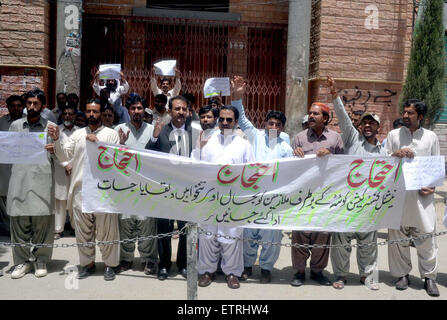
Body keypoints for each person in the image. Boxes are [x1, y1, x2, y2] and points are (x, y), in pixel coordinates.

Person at [230, 75, 293, 284]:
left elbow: (292, 170)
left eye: (277, 124)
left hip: (273, 198)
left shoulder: (286, 147)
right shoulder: (256, 136)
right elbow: (241, 118)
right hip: (252, 195)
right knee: (249, 232)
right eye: (270, 123)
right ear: (265, 124)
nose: (273, 126)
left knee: (271, 236)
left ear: (282, 127)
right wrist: (237, 96)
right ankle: (247, 266)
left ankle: (266, 268)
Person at [50, 98, 121, 281]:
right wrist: (57, 139)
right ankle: (87, 264)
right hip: (80, 189)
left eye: (95, 111)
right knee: (83, 231)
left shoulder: (111, 134)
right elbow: (64, 154)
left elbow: (116, 159)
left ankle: (109, 265)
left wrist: (97, 143)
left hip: (103, 191)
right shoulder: (77, 134)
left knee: (107, 231)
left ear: (101, 113)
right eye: (89, 111)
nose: (91, 115)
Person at [327, 76, 384, 290]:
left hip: (370, 204)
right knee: (341, 241)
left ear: (378, 127)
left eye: (372, 123)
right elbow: (342, 116)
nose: (367, 125)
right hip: (347, 201)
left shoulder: (384, 151)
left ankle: (367, 275)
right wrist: (334, 95)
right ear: (360, 126)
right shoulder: (352, 139)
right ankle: (340, 275)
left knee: (368, 243)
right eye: (364, 122)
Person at [192, 105, 254, 289]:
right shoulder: (207, 140)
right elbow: (195, 165)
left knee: (231, 236)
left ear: (236, 122)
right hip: (209, 199)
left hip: (233, 200)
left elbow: (251, 172)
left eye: (229, 120)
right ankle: (206, 271)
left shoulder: (244, 144)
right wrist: (199, 149)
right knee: (207, 236)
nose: (225, 123)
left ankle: (232, 273)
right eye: (222, 119)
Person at [385, 99, 441, 297]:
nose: (405, 116)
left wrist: (432, 186)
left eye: (410, 113)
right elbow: (382, 163)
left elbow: (435, 165)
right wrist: (395, 154)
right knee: (397, 237)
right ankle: (402, 275)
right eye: (405, 112)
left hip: (422, 198)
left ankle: (429, 277)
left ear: (421, 117)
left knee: (426, 237)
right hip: (398, 195)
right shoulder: (393, 135)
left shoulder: (431, 137)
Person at [290, 100, 344, 287]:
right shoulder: (299, 138)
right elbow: (291, 168)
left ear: (326, 118)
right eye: (310, 113)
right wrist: (295, 154)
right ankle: (298, 271)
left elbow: (344, 165)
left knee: (323, 232)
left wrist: (330, 155)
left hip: (326, 194)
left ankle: (317, 272)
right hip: (304, 195)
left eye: (315, 114)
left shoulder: (335, 138)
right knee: (300, 232)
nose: (311, 116)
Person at [146, 95, 199, 280]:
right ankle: (164, 265)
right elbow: (147, 155)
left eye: (184, 109)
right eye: (177, 109)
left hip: (187, 190)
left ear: (188, 111)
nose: (181, 112)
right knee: (164, 228)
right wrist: (153, 137)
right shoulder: (160, 131)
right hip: (165, 189)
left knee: (186, 228)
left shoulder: (196, 132)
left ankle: (183, 264)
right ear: (170, 111)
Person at [8, 89, 55, 279]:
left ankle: (40, 259)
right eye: (29, 103)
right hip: (19, 181)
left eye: (36, 103)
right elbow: (8, 152)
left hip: (42, 182)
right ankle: (21, 262)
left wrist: (56, 144)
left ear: (43, 106)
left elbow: (62, 155)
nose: (31, 107)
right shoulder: (16, 127)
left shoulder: (51, 127)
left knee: (42, 223)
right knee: (19, 222)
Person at [114, 94, 158, 275]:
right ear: (128, 110)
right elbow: (111, 158)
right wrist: (121, 144)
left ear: (144, 110)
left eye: (140, 108)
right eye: (133, 108)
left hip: (146, 187)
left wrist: (155, 138)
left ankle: (148, 259)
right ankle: (126, 258)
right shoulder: (119, 129)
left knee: (147, 223)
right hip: (125, 186)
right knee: (126, 223)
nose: (136, 112)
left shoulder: (152, 129)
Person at [0, 95, 25, 236]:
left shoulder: (29, 122)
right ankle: (11, 231)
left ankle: (22, 230)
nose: (16, 108)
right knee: (4, 198)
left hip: (24, 166)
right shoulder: (1, 123)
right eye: (13, 106)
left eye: (18, 105)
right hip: (5, 167)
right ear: (8, 107)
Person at [53, 104, 78, 240]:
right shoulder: (57, 131)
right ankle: (58, 229)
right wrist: (65, 165)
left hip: (75, 170)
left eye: (70, 114)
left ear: (75, 116)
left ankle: (75, 228)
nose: (67, 116)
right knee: (60, 200)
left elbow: (81, 152)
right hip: (60, 171)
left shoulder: (80, 132)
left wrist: (72, 165)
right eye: (65, 114)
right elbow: (53, 151)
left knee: (75, 200)